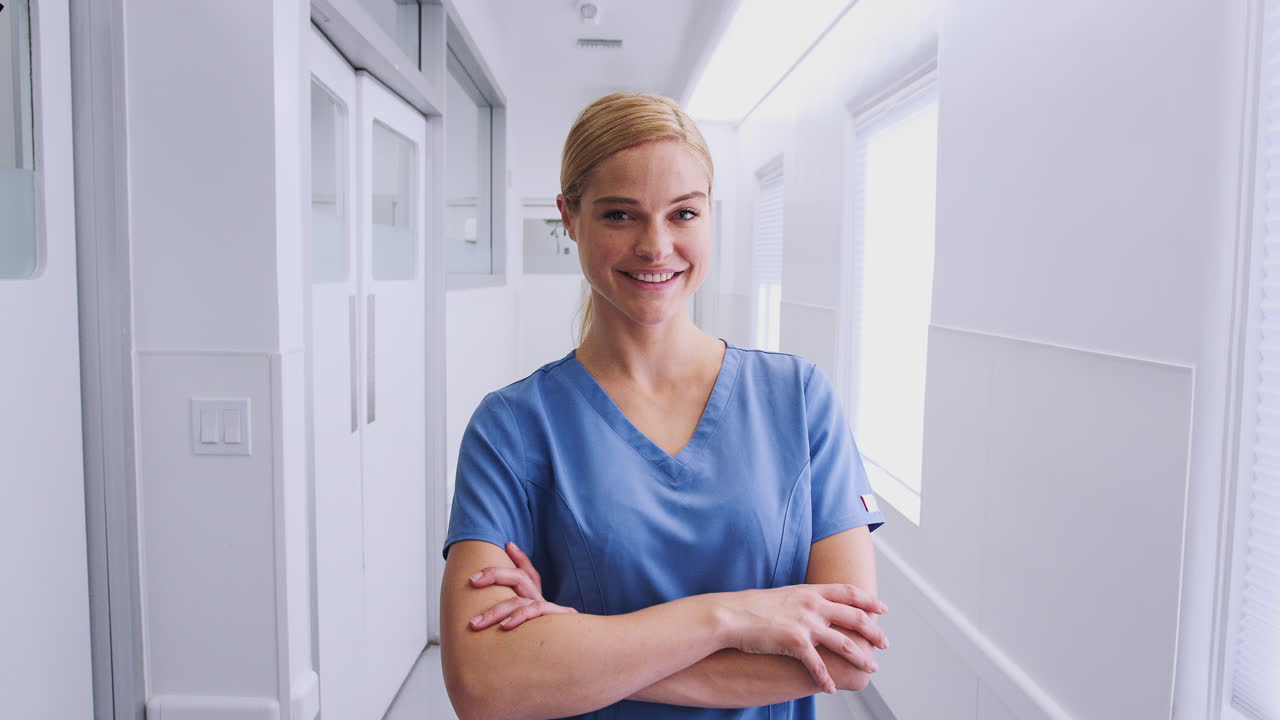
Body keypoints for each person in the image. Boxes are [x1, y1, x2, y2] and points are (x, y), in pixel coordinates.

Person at [441, 92, 888, 720]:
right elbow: (484, 683)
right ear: (569, 216)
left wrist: (574, 647)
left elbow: (845, 655)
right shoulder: (512, 428)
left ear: (710, 217)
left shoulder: (799, 400)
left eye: (683, 214)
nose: (656, 246)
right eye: (621, 214)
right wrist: (726, 618)